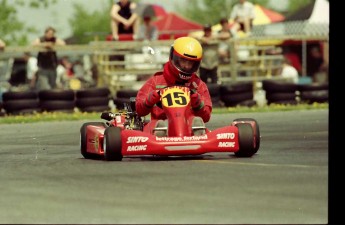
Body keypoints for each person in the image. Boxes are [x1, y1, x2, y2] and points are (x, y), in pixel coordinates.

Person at [135, 37, 212, 136]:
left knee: (197, 122)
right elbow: (139, 111)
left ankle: (196, 130)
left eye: (191, 63)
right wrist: (150, 100)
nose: (186, 66)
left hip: (188, 127)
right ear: (173, 57)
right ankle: (161, 132)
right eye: (183, 61)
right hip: (161, 125)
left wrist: (197, 103)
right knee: (158, 125)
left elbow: (206, 117)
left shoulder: (198, 85)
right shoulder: (156, 81)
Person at [32, 26, 66, 90]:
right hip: (43, 68)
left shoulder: (54, 39)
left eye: (52, 34)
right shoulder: (41, 39)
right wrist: (44, 45)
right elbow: (34, 44)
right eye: (50, 33)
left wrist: (53, 44)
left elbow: (63, 44)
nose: (51, 35)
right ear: (46, 33)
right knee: (44, 87)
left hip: (52, 68)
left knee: (52, 86)